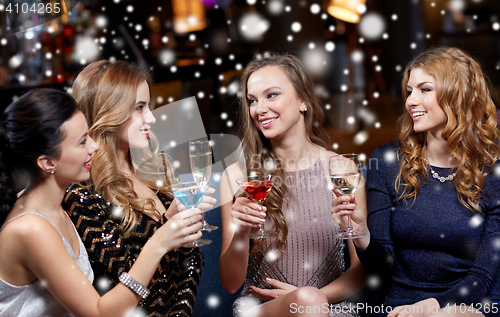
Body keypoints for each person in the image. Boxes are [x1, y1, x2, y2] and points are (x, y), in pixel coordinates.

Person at [0, 89, 203, 316]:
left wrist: (166, 224)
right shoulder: (31, 228)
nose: (94, 147)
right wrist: (159, 243)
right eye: (82, 142)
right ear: (47, 163)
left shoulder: (53, 207)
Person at [332, 46, 500, 317]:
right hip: (394, 305)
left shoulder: (493, 173)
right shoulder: (388, 161)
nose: (410, 101)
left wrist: (431, 307)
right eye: (409, 91)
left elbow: (482, 277)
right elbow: (381, 264)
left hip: (464, 304)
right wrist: (361, 233)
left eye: (424, 89)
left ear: (458, 95)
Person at [62, 60, 215, 316]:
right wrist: (166, 230)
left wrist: (176, 225)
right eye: (140, 108)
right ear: (108, 112)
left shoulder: (157, 172)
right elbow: (126, 292)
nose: (152, 118)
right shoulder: (82, 196)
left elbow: (190, 267)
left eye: (149, 107)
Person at [219, 53, 367, 317]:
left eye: (271, 95)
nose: (259, 109)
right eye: (252, 100)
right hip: (262, 310)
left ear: (303, 100)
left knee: (309, 303)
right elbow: (230, 284)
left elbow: (360, 271)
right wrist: (241, 232)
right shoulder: (237, 175)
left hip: (331, 309)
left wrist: (310, 299)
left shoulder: (342, 170)